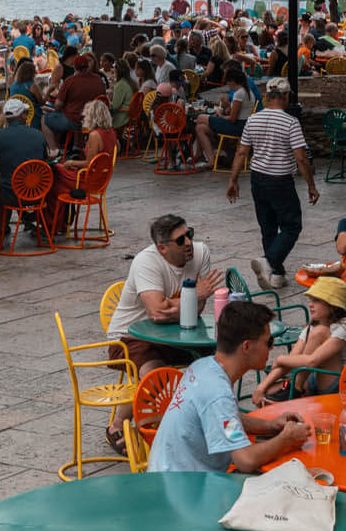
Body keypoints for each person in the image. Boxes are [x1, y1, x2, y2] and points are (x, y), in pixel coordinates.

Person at [146, 301, 310, 473]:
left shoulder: (203, 366)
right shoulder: (218, 392)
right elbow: (245, 461)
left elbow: (227, 417)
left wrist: (271, 425)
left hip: (166, 475)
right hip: (185, 488)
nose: (271, 348)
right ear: (246, 346)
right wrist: (286, 439)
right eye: (268, 342)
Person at [105, 214, 221, 446]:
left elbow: (197, 309)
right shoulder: (146, 262)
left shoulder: (200, 253)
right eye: (180, 240)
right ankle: (122, 426)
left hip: (178, 332)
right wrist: (195, 295)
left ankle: (212, 418)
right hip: (130, 336)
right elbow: (157, 313)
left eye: (190, 234)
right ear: (162, 248)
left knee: (219, 359)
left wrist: (173, 305)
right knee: (154, 374)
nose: (188, 243)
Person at [226, 78, 319, 290]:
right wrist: (311, 185)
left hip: (257, 179)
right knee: (291, 226)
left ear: (267, 96)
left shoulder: (253, 120)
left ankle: (277, 275)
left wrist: (232, 180)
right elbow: (301, 158)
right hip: (280, 181)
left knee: (268, 228)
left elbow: (242, 152)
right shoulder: (290, 122)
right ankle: (269, 262)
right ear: (286, 97)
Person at [251, 276, 346, 404]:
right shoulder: (312, 326)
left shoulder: (344, 328)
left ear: (333, 305)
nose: (310, 304)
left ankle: (296, 388)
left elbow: (312, 362)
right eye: (311, 300)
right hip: (313, 378)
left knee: (320, 332)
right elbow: (291, 359)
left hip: (340, 384)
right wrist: (261, 387)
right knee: (265, 396)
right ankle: (295, 393)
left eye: (316, 301)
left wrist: (280, 359)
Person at [0, 97, 52, 245]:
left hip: (12, 195)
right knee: (2, 183)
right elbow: (45, 162)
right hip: (39, 195)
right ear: (22, 115)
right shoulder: (39, 135)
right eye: (26, 112)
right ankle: (33, 222)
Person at [43, 53, 106, 153]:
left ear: (74, 67)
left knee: (45, 119)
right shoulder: (99, 80)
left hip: (75, 120)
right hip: (93, 119)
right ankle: (77, 148)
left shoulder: (70, 81)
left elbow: (58, 105)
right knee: (78, 112)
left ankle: (54, 150)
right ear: (87, 65)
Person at [193, 60, 251, 168]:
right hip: (241, 125)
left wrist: (220, 115)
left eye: (227, 82)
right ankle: (210, 160)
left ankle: (203, 155)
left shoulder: (239, 94)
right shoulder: (246, 91)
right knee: (200, 128)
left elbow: (232, 119)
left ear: (232, 81)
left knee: (200, 117)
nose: (227, 85)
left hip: (237, 127)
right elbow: (236, 112)